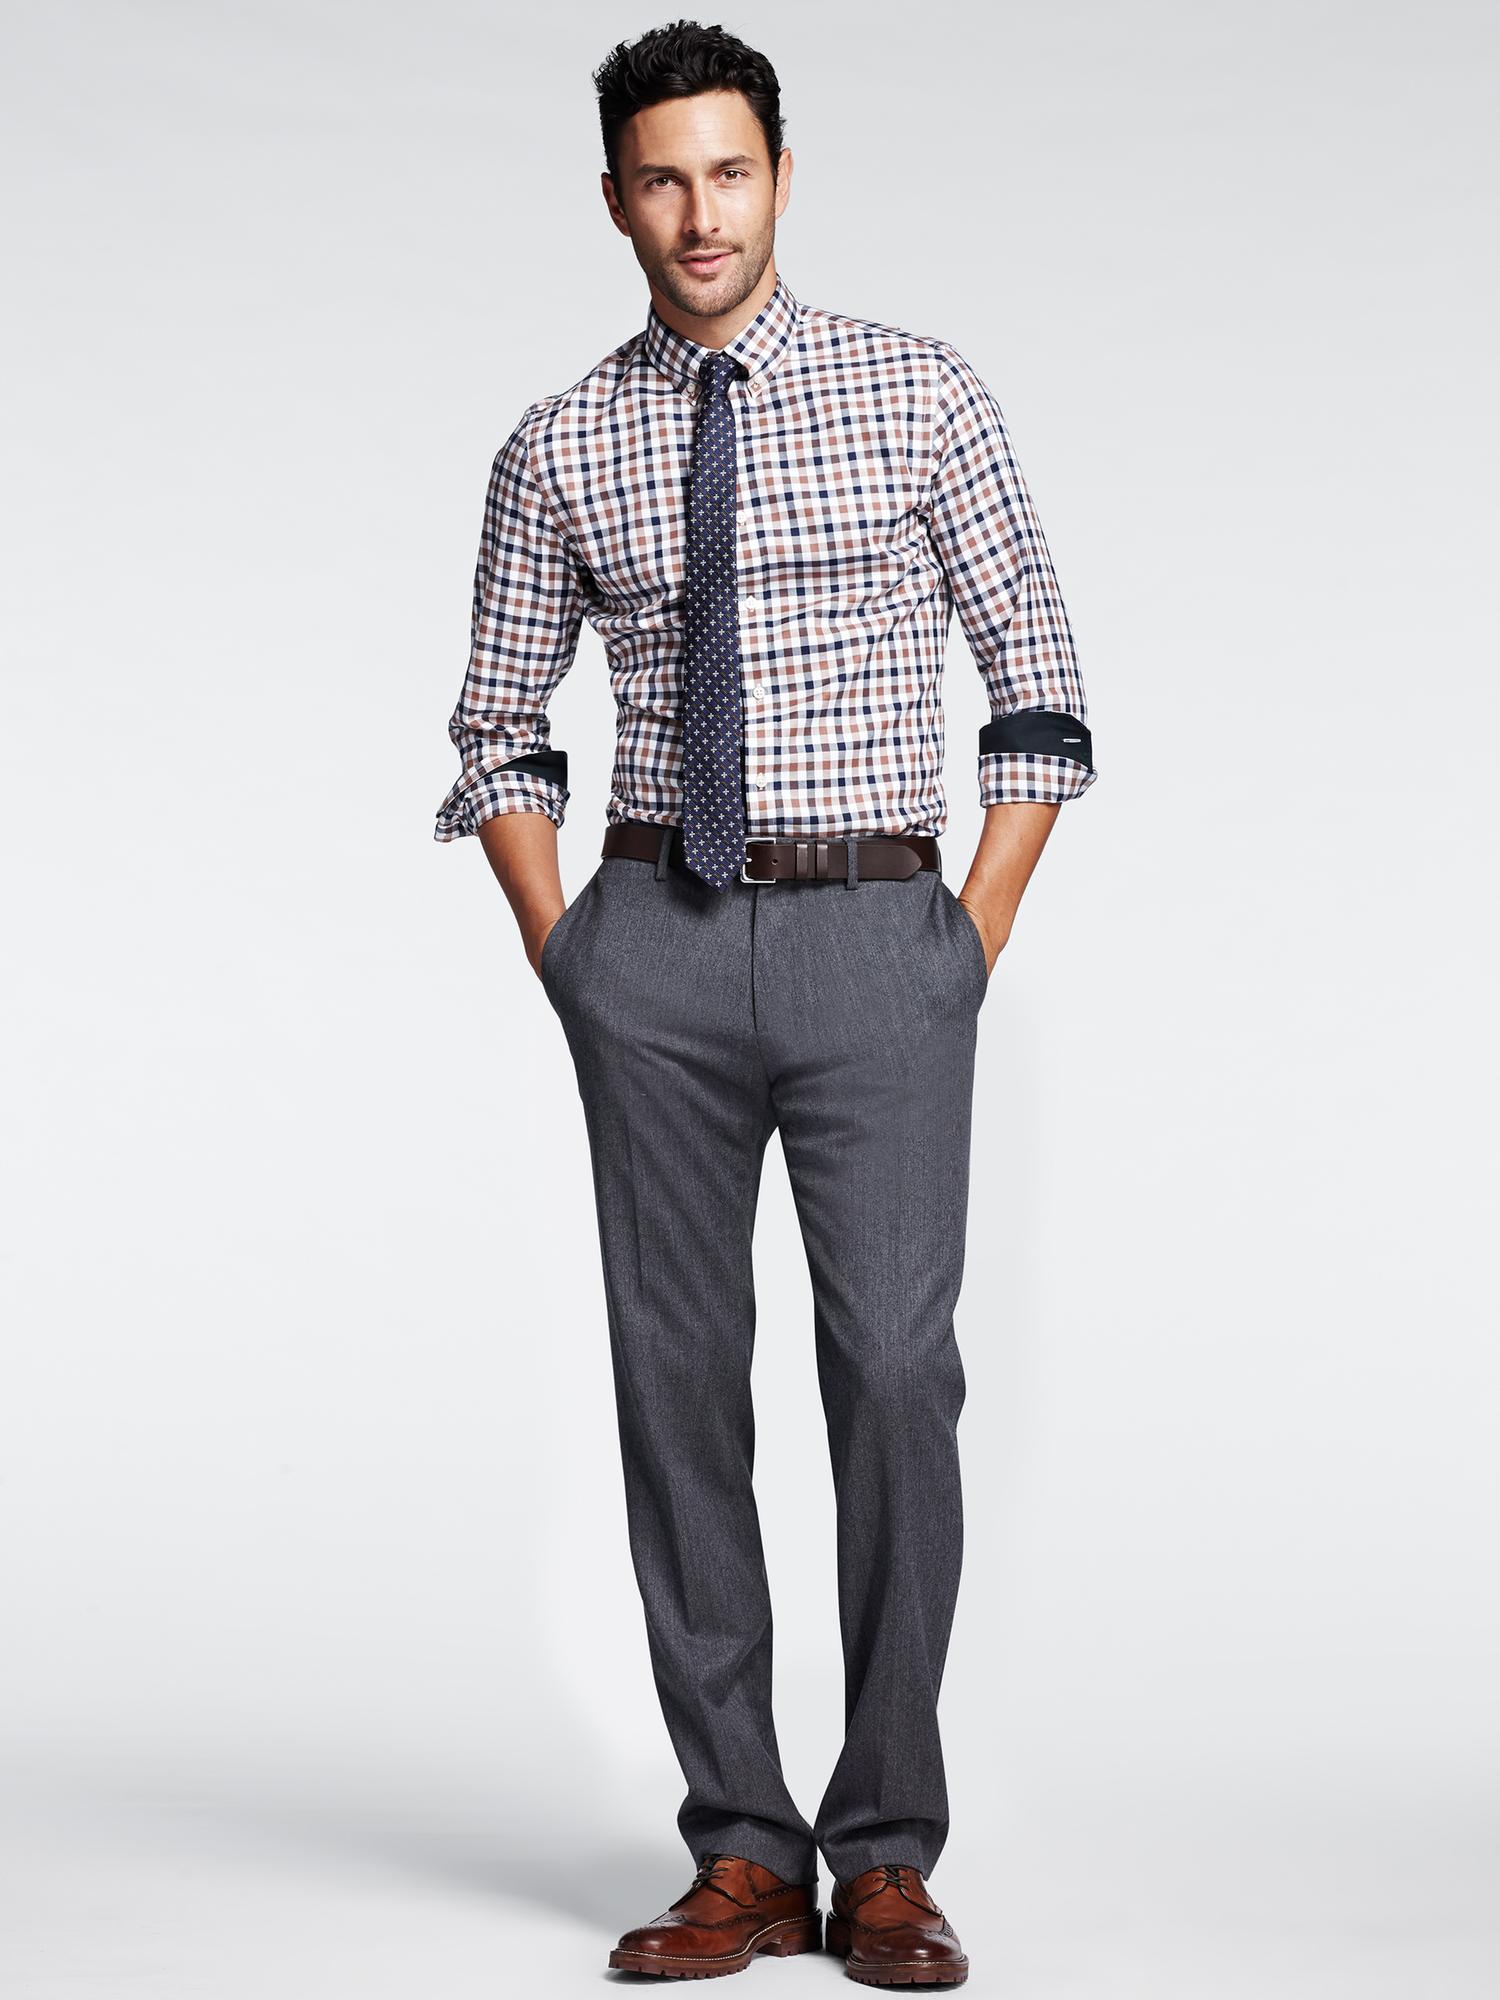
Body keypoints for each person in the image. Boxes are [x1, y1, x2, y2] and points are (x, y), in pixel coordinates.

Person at [433, 20, 1095, 1985]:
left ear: (783, 177)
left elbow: (1043, 689)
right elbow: (497, 726)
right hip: (654, 933)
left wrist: (963, 942)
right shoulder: (558, 442)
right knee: (675, 1386)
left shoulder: (919, 392)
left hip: (879, 932)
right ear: (615, 199)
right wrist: (569, 953)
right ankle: (740, 1843)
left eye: (729, 172)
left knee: (893, 1371)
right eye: (662, 178)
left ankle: (884, 1849)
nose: (699, 212)